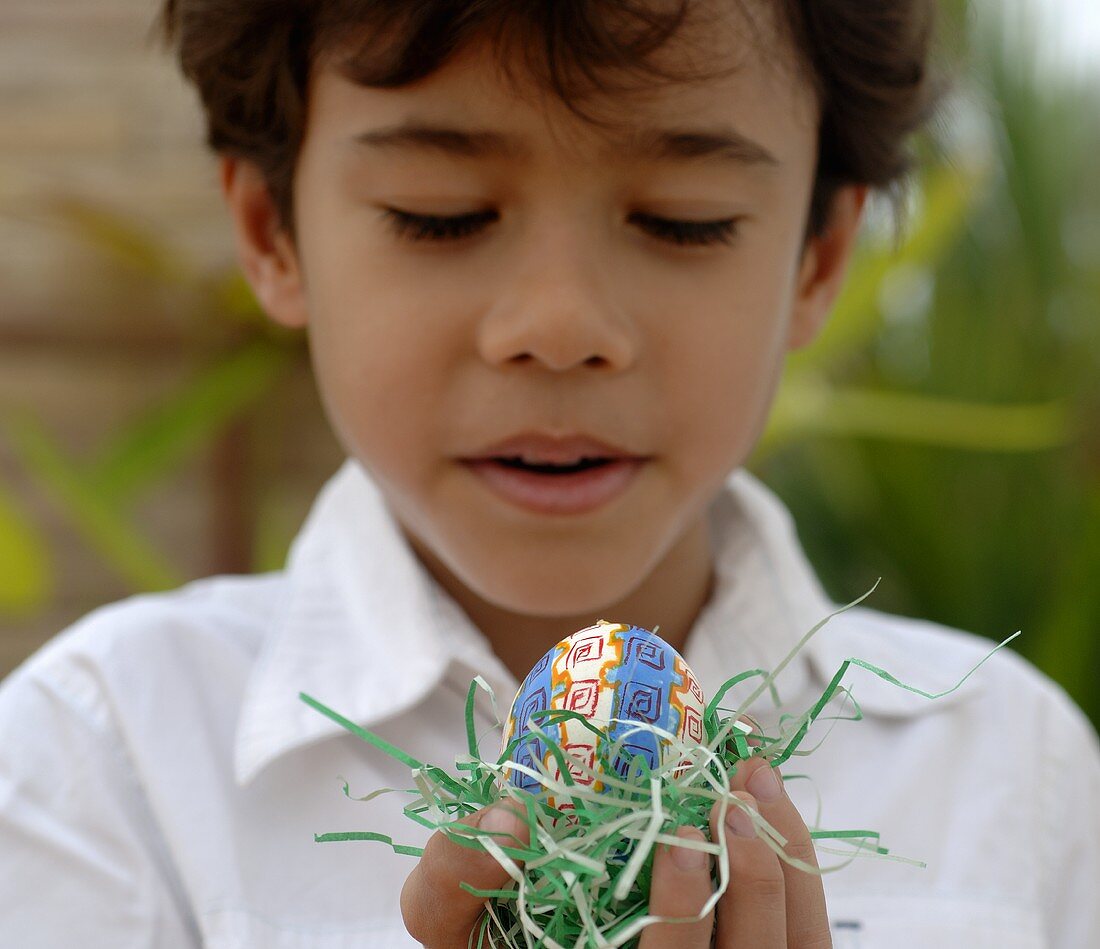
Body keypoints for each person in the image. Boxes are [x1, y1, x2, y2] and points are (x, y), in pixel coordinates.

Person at [1, 1, 1097, 946]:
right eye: (441, 214)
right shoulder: (106, 761)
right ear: (270, 232)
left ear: (817, 257)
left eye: (684, 222)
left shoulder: (1005, 770)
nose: (560, 326)